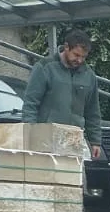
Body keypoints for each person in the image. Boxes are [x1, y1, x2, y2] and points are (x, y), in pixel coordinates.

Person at [20, 29, 104, 161]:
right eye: (76, 55)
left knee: (75, 174)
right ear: (66, 47)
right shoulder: (45, 67)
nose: (80, 60)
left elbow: (92, 111)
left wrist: (95, 141)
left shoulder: (89, 76)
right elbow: (31, 103)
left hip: (74, 138)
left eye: (83, 57)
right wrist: (30, 133)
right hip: (46, 137)